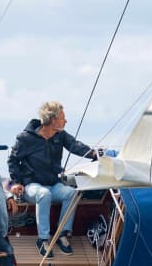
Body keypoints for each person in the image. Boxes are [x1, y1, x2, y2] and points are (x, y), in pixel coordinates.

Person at [7, 101, 113, 256]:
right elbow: (12, 160)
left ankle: (61, 234)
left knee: (72, 193)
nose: (66, 121)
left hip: (53, 184)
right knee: (44, 194)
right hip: (31, 186)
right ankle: (43, 239)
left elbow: (75, 145)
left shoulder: (60, 135)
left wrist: (94, 154)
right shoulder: (25, 138)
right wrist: (16, 182)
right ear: (52, 120)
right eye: (62, 117)